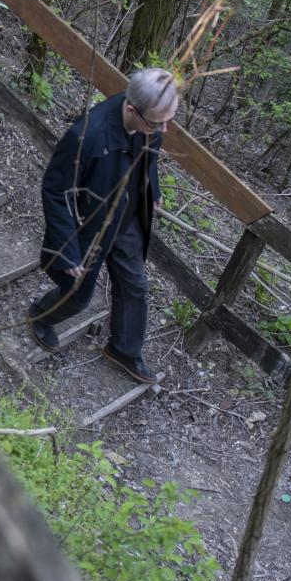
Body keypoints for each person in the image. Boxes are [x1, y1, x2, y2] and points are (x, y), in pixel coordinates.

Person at [29, 68, 178, 383]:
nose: (163, 128)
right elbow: (56, 191)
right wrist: (68, 249)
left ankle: (123, 349)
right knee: (78, 297)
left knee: (135, 286)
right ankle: (41, 315)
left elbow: (149, 157)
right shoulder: (86, 137)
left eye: (168, 121)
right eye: (157, 122)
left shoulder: (152, 120)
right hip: (90, 226)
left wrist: (152, 188)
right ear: (130, 109)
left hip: (127, 219)